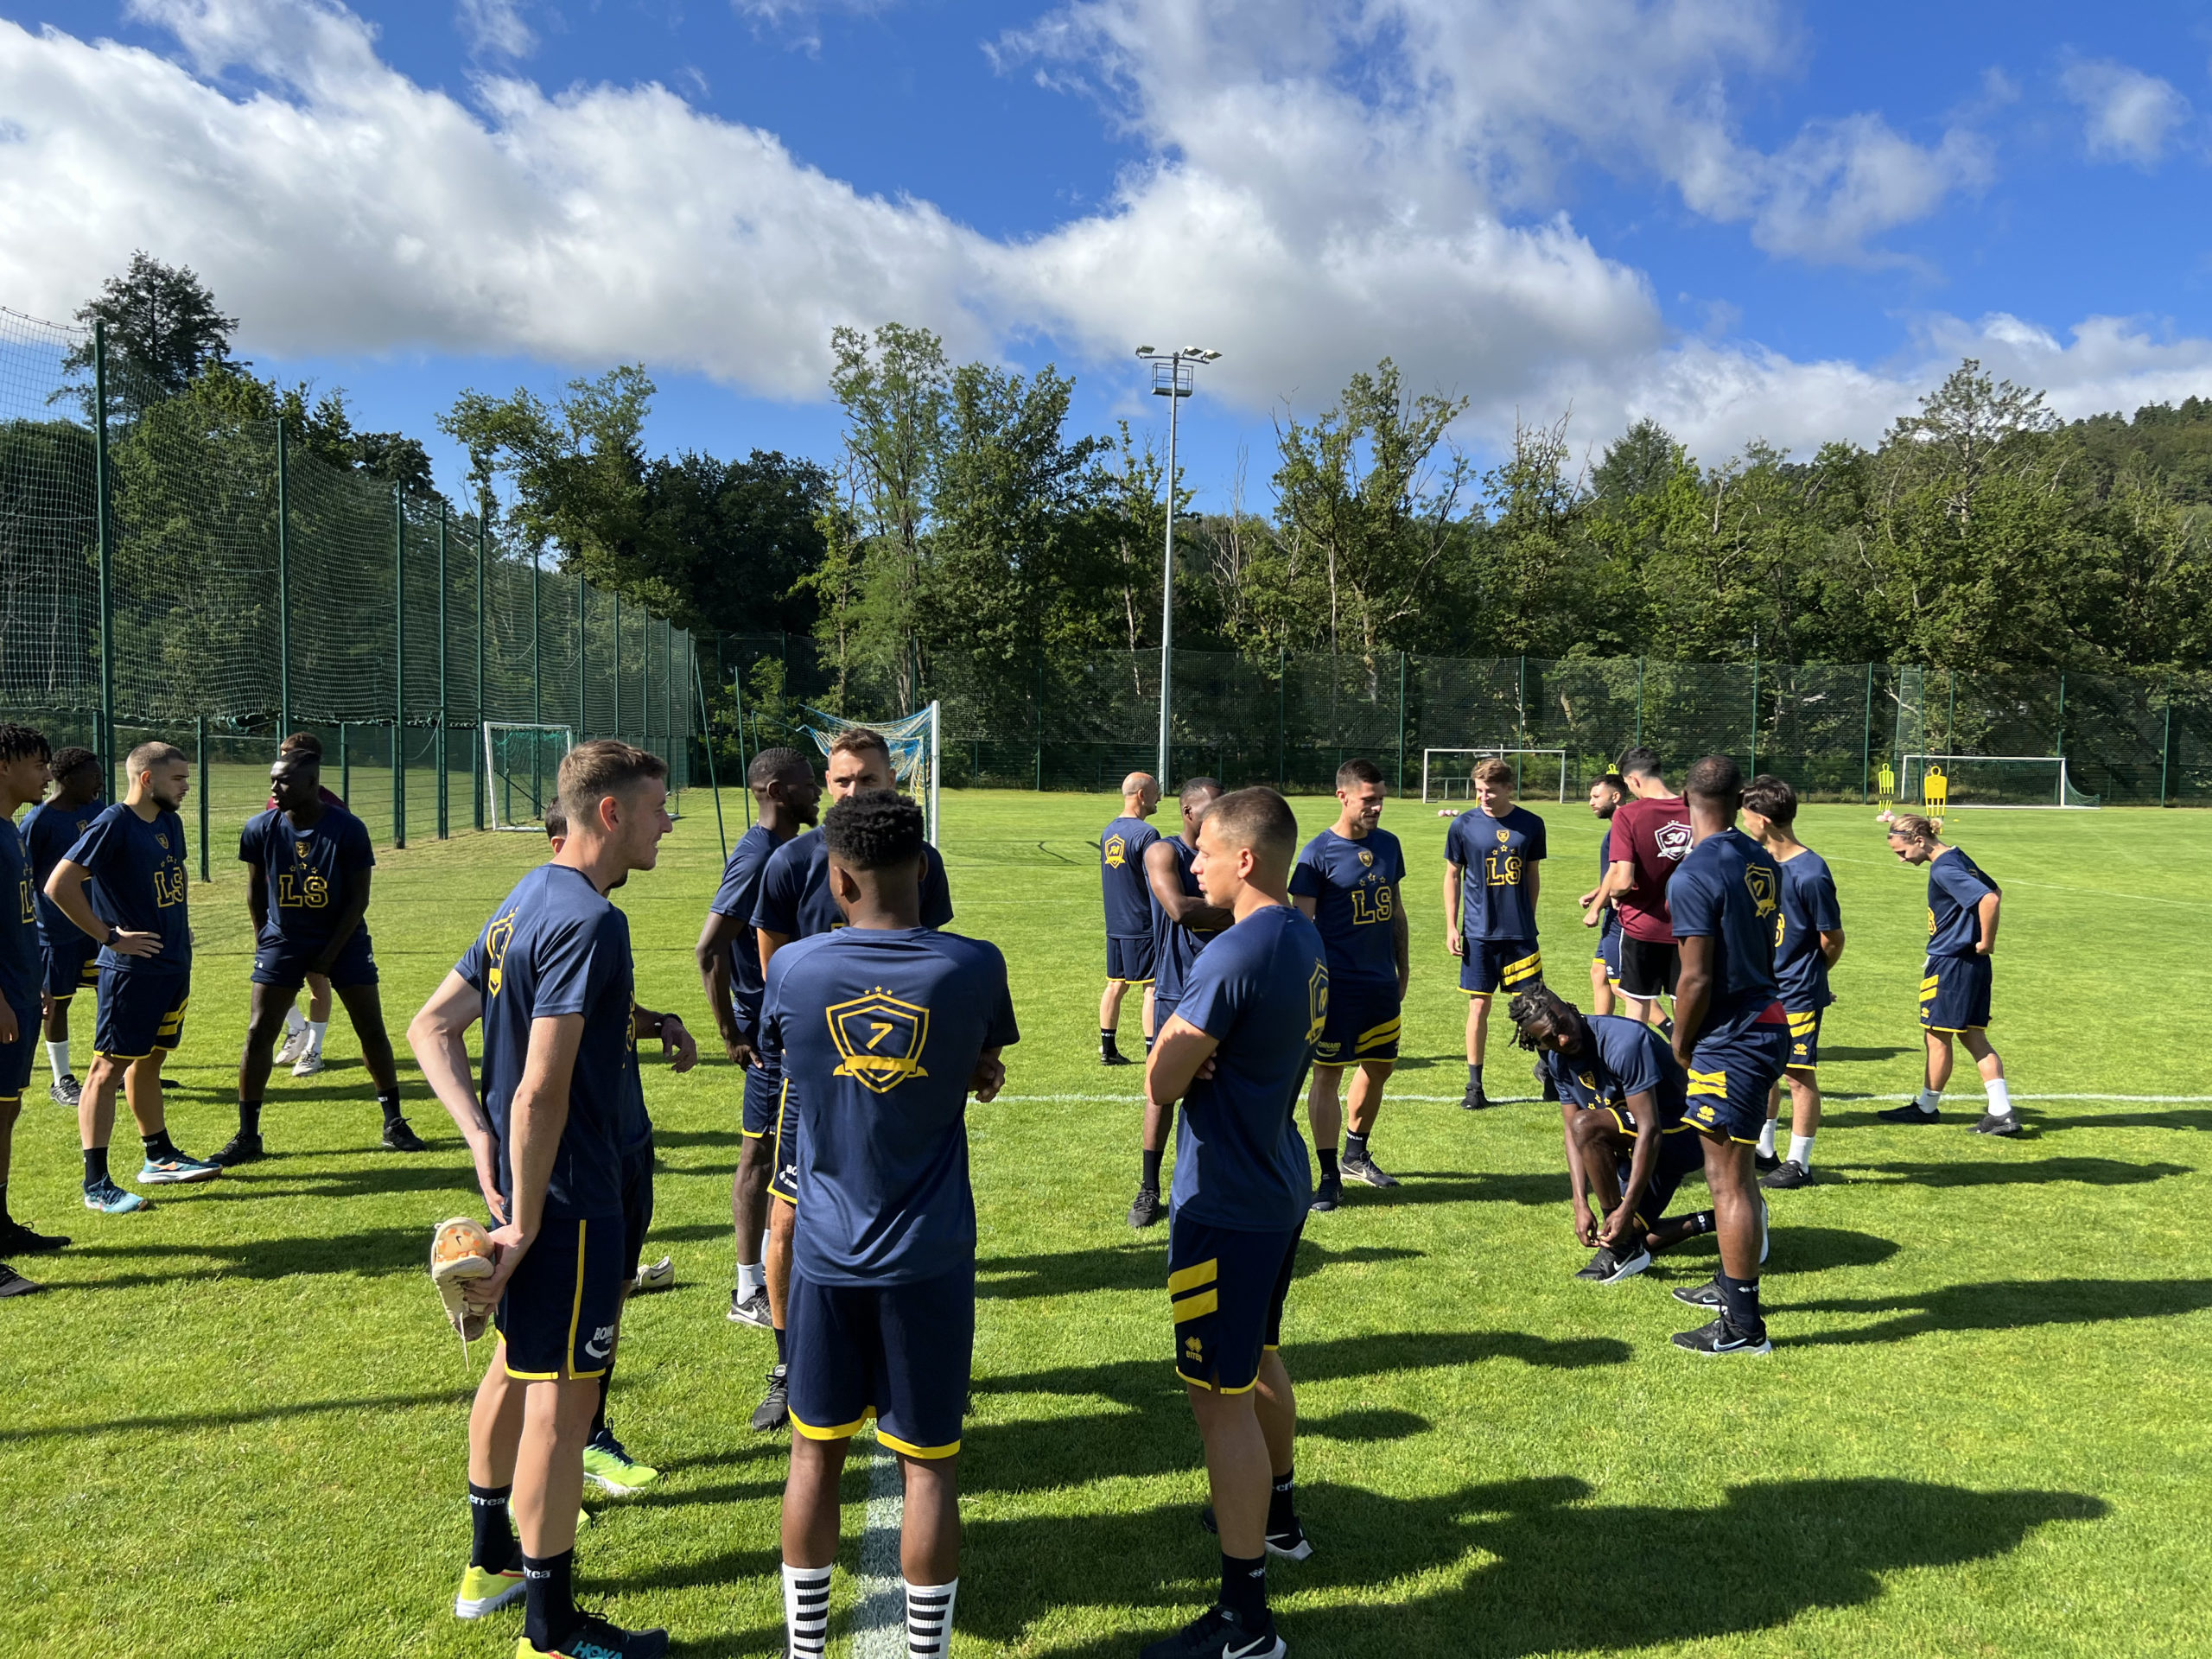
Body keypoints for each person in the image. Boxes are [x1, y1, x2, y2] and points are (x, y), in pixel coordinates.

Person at [405, 740, 677, 1659]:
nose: (667, 824)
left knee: (515, 1371)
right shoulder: (590, 921)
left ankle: (491, 1569)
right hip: (570, 1198)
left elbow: (433, 1026)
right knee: (565, 1407)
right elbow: (536, 1090)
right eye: (655, 809)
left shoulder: (530, 896)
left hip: (544, 1184)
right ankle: (552, 1632)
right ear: (609, 813)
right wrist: (521, 1217)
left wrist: (478, 1142)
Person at [769, 791, 1016, 1659]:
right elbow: (977, 1056)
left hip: (826, 1255)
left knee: (811, 1459)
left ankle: (804, 1652)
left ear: (837, 879)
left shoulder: (793, 971)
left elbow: (793, 1058)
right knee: (930, 1466)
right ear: (925, 869)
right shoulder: (973, 967)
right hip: (929, 1256)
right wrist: (970, 1065)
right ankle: (924, 1655)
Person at [1144, 786, 1322, 1659]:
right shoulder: (1300, 932)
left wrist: (1181, 1052)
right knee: (1258, 1361)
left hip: (1228, 1198)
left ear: (1245, 859)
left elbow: (1161, 1079)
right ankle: (1281, 1521)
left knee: (1218, 1402)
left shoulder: (1234, 951)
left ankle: (1245, 1621)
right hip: (1278, 1179)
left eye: (1204, 851)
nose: (1192, 863)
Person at [751, 728, 955, 1432]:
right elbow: (773, 960)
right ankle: (787, 1362)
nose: (852, 793)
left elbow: (934, 960)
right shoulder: (789, 864)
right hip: (817, 1073)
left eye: (867, 781)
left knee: (908, 1207)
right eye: (841, 781)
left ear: (892, 783)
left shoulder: (919, 860)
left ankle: (913, 1361)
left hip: (900, 1062)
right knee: (790, 1213)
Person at [215, 744, 424, 1165]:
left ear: (313, 784)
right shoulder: (260, 828)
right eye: (273, 779)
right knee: (260, 1032)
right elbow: (255, 892)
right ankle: (247, 1135)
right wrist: (266, 941)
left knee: (371, 1028)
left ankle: (394, 1123)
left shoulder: (348, 829)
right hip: (283, 941)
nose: (275, 787)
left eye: (285, 780)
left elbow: (358, 899)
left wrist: (328, 956)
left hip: (344, 940)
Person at [45, 741, 218, 1211]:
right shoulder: (113, 823)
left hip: (172, 966)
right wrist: (109, 936)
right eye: (178, 779)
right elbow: (59, 884)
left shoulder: (169, 822)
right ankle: (96, 1184)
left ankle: (158, 1157)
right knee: (106, 1070)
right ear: (147, 779)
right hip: (130, 971)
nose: (186, 787)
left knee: (152, 1061)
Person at [1664, 755, 1791, 1357]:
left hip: (1731, 1036)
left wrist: (1681, 1044)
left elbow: (1694, 981)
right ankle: (1727, 1286)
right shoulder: (1760, 858)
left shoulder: (1693, 873)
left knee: (1727, 1181)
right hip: (1768, 1019)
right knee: (1736, 1170)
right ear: (1740, 799)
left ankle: (1744, 1326)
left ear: (1687, 798)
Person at [696, 747, 820, 1328]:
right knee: (759, 1156)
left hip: (789, 1029)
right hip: (766, 1038)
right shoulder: (757, 856)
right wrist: (731, 1032)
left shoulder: (787, 851)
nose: (816, 789)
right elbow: (710, 948)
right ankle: (749, 1290)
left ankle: (785, 1269)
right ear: (774, 789)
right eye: (805, 782)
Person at [1510, 987, 1713, 1285]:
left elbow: (1650, 1129)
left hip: (1680, 1137)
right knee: (1626, 1232)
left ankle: (1622, 1248)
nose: (1562, 1039)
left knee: (1587, 1126)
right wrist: (1579, 1203)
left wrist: (1624, 1206)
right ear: (1537, 1042)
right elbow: (1571, 1133)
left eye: (1563, 1026)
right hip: (1635, 1149)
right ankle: (1719, 1219)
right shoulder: (1558, 1061)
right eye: (1550, 1039)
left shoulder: (1623, 1041)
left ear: (1570, 1008)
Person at [1291, 758, 1408, 1211]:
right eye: (1368, 799)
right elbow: (1299, 925)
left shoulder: (1389, 845)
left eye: (1380, 799)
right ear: (1343, 796)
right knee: (1328, 1074)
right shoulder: (1317, 853)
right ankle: (1327, 1177)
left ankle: (1356, 1155)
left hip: (1381, 982)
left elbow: (1395, 909)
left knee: (1379, 1067)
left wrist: (1404, 966)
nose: (1376, 807)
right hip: (1335, 986)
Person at [1128, 777, 1229, 1229]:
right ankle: (1149, 1189)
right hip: (1176, 990)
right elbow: (1178, 909)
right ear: (1189, 814)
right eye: (1212, 812)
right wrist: (1246, 907)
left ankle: (1216, 1184)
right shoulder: (1164, 852)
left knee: (1223, 1088)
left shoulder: (1227, 854)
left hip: (1227, 989)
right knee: (1160, 1090)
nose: (1221, 820)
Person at [1741, 777, 1845, 1187]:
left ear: (1763, 820)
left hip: (1796, 991)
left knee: (1798, 1075)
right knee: (1764, 1070)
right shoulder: (1757, 861)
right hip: (1760, 988)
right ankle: (1764, 1149)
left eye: (1747, 814)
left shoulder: (1811, 872)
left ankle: (1799, 1162)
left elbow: (1831, 937)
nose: (1743, 821)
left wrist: (1814, 976)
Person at [1883, 814, 2016, 1135]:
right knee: (1972, 1035)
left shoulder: (1943, 867)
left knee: (1936, 1035)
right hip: (1970, 965)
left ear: (1919, 840)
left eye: (1902, 852)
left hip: (1952, 962)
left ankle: (1927, 1108)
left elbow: (1988, 898)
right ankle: (2002, 1111)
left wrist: (1986, 940)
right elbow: (1994, 887)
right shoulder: (1956, 855)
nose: (1902, 860)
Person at [0, 724, 69, 1287]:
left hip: (23, 994)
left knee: (7, 1112)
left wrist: (36, 982)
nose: (47, 774)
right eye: (37, 763)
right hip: (2, 1002)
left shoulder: (13, 831)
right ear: (4, 766)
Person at [1444, 757, 1548, 1111]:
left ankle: (1548, 1070)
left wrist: (1528, 917)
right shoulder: (1463, 825)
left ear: (1508, 788)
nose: (1483, 797)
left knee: (1535, 1006)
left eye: (1490, 790)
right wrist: (1451, 925)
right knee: (1478, 1006)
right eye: (1478, 790)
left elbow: (1532, 875)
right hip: (1479, 933)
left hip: (1519, 933)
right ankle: (1475, 1086)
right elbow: (1452, 876)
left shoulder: (1531, 824)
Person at [1582, 747, 1689, 1030]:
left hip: (1642, 928)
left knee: (1636, 1010)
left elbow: (1622, 880)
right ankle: (1694, 1071)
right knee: (1686, 1011)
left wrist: (1614, 895)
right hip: (1688, 928)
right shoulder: (1694, 810)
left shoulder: (1628, 815)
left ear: (1633, 781)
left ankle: (1635, 1072)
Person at [21, 746, 104, 1106]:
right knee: (56, 1003)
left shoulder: (99, 811)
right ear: (67, 779)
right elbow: (24, 879)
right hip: (55, 931)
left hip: (99, 925)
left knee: (111, 994)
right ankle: (61, 1078)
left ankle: (114, 1069)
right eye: (93, 776)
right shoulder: (38, 821)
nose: (100, 782)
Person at [261, 733, 346, 1077]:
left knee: (316, 979)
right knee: (270, 980)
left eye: (287, 756)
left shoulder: (334, 809)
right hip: (279, 910)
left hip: (317, 912)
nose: (280, 763)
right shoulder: (275, 802)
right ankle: (297, 1028)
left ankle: (314, 1049)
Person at [1098, 772, 1162, 1065]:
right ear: (1142, 796)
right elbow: (1155, 881)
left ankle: (1107, 1050)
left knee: (1116, 985)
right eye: (1156, 791)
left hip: (1116, 925)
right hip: (1142, 925)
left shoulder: (1108, 830)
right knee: (1152, 988)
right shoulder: (1147, 835)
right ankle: (1153, 1054)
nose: (1160, 797)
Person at [1585, 773, 1626, 1018]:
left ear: (1616, 796)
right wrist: (1596, 893)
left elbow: (1617, 872)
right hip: (1611, 913)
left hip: (1620, 917)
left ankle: (1672, 1032)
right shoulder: (1618, 827)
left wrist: (1595, 909)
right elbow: (1615, 873)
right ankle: (1603, 1032)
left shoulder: (1622, 827)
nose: (1591, 802)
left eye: (1596, 796)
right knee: (1599, 973)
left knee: (1622, 986)